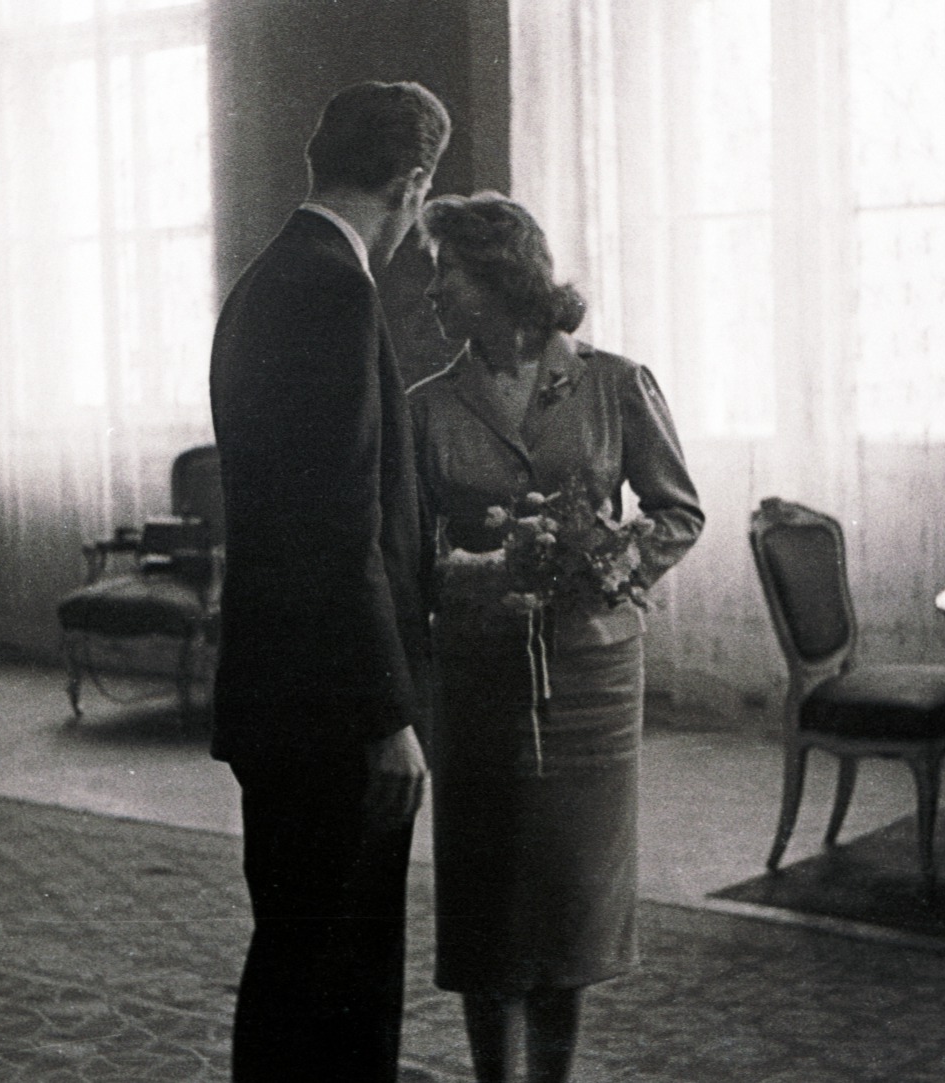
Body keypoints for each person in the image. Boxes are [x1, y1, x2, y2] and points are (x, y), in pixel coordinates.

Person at [409, 192, 704, 1083]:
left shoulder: (615, 382)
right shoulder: (427, 407)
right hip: (479, 677)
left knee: (569, 901)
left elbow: (677, 511)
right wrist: (476, 572)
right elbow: (408, 552)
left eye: (446, 273)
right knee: (487, 896)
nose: (431, 292)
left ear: (500, 277)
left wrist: (608, 562)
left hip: (590, 679)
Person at [207, 81, 449, 1083]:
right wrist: (386, 716)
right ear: (413, 183)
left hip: (279, 691)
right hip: (333, 708)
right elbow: (339, 526)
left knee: (295, 961)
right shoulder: (334, 290)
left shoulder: (266, 279)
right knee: (342, 979)